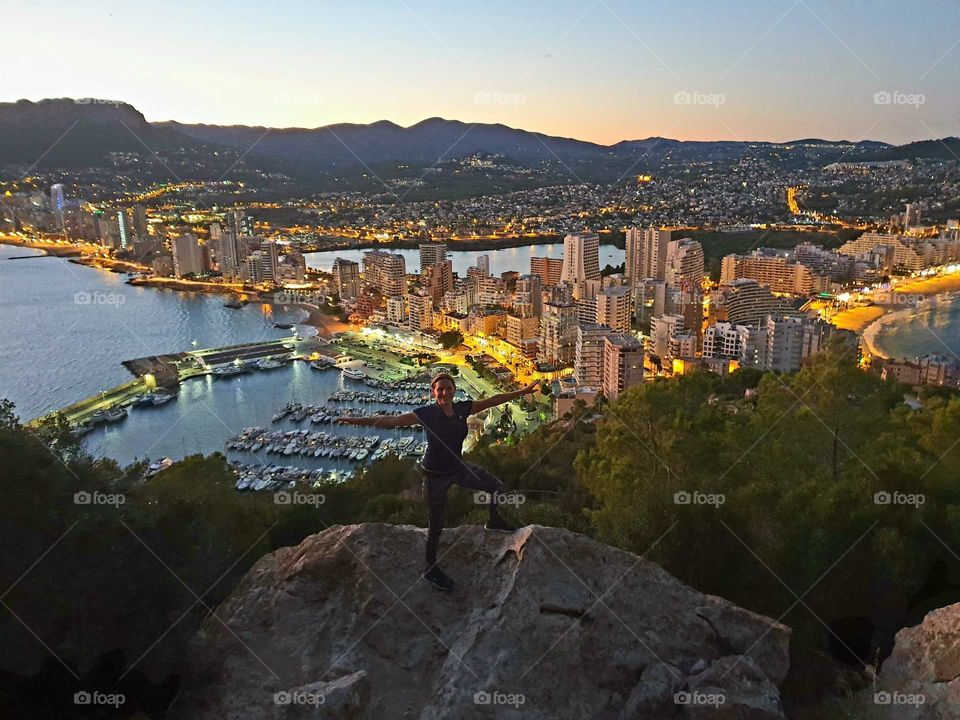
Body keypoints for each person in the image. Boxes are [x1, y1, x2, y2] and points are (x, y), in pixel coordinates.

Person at [341, 372, 540, 591]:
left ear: (453, 390)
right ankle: (430, 569)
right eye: (440, 389)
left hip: (458, 467)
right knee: (436, 525)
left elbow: (494, 400)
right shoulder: (427, 414)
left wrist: (523, 391)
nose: (444, 392)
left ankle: (493, 521)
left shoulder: (463, 408)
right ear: (434, 393)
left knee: (494, 485)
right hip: (434, 476)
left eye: (448, 388)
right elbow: (393, 421)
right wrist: (356, 420)